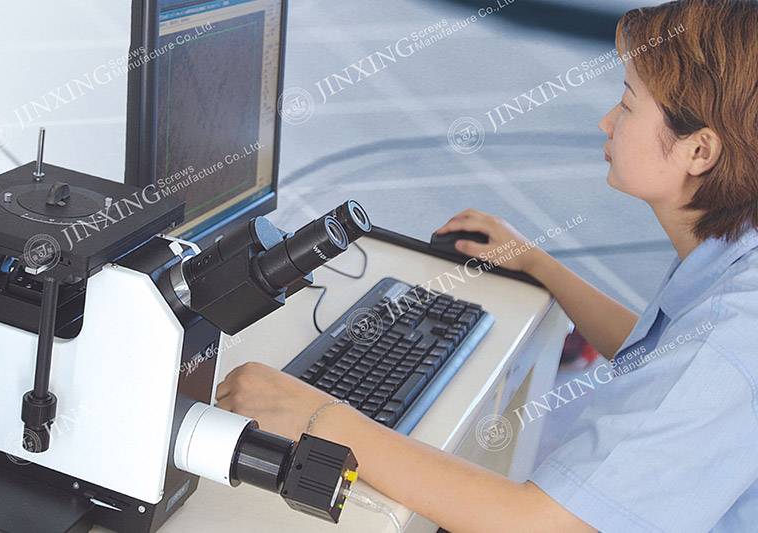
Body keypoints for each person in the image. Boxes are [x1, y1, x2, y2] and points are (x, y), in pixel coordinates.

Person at [215, 1, 758, 530]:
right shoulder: (733, 257)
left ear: (699, 151)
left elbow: (546, 524)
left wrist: (318, 416)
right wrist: (539, 266)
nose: (606, 121)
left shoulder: (732, 333)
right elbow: (662, 352)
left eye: (628, 104)